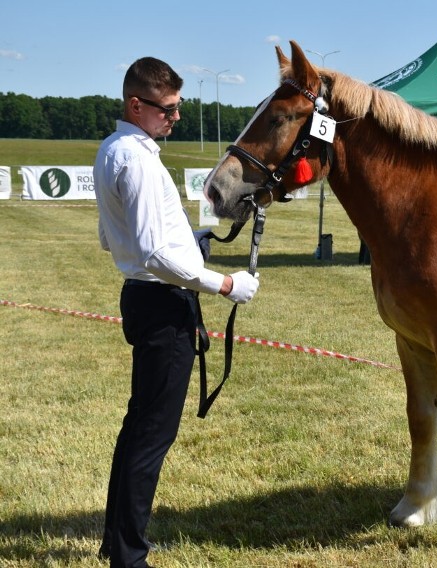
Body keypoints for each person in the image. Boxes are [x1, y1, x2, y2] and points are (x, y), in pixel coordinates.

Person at [93, 56, 259, 568]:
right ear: (136, 104)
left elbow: (115, 238)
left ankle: (117, 543)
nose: (175, 118)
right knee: (151, 437)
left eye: (179, 108)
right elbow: (154, 256)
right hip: (162, 304)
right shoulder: (139, 160)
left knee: (138, 427)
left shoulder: (115, 149)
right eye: (167, 109)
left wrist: (194, 241)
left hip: (146, 298)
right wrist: (225, 283)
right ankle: (129, 557)